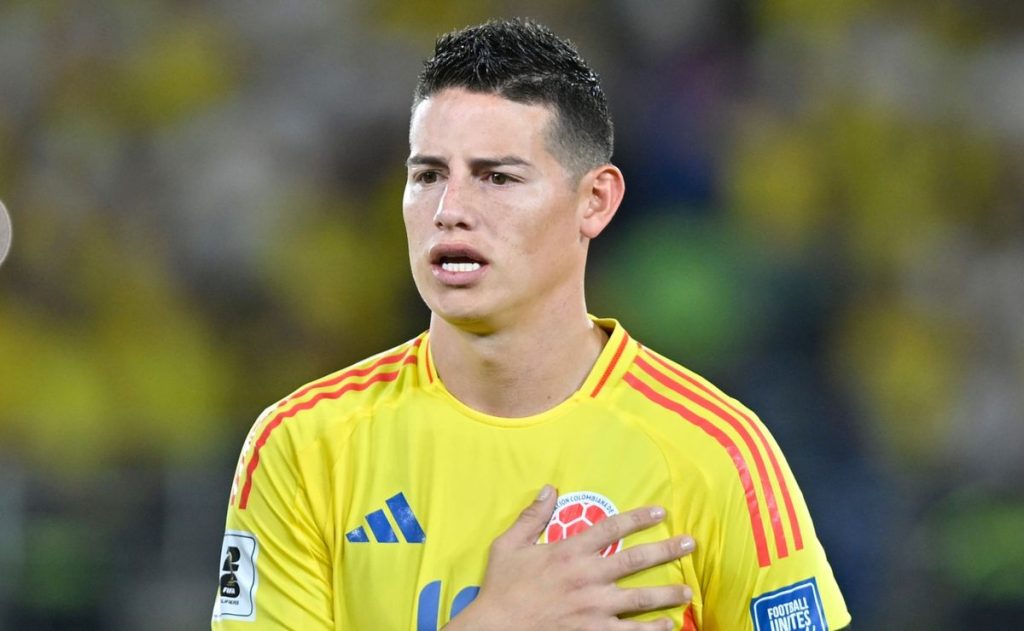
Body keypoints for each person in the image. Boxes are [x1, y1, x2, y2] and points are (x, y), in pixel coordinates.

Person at [212, 18, 850, 631]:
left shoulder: (718, 452)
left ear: (594, 202)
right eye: (428, 175)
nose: (450, 209)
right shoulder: (304, 446)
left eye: (496, 177)